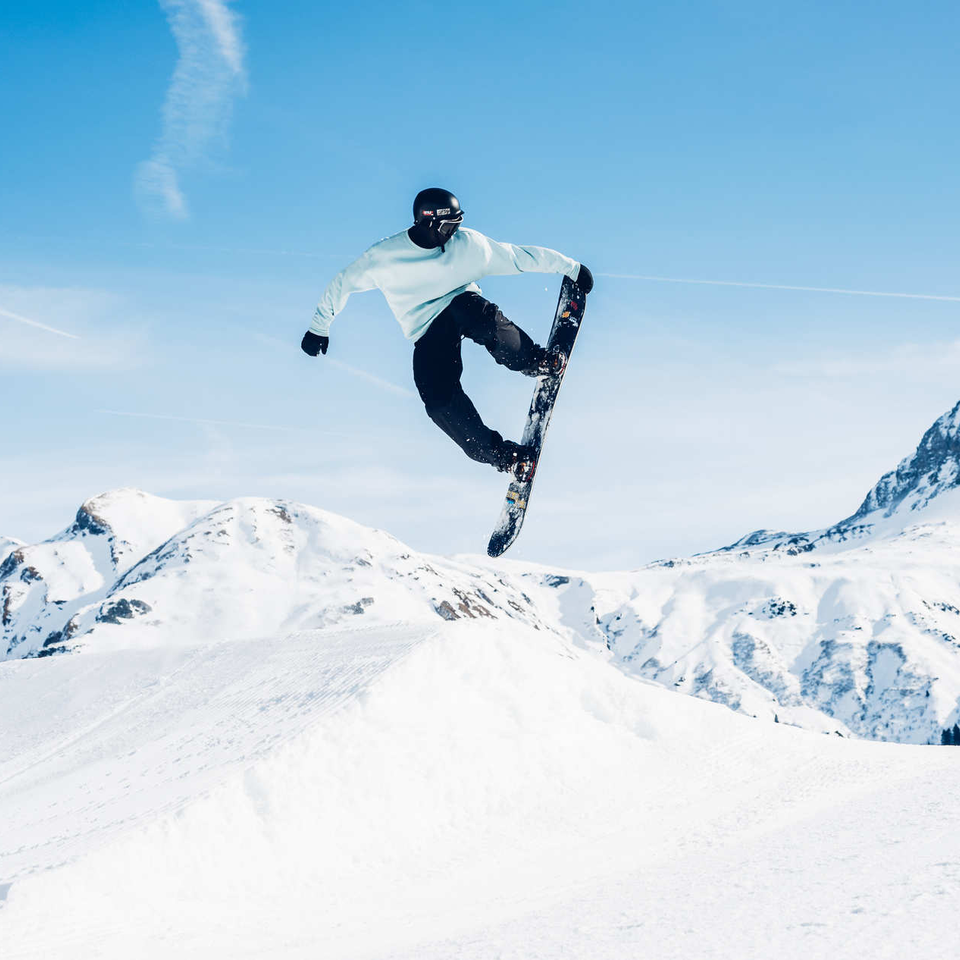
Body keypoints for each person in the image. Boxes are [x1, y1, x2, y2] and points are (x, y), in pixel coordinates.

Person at [300, 187, 593, 481]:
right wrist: (319, 327)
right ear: (428, 223)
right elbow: (342, 283)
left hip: (462, 304)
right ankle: (504, 456)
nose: (454, 233)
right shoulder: (384, 257)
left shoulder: (469, 246)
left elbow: (518, 256)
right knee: (437, 400)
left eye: (458, 225)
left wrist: (570, 267)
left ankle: (534, 360)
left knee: (478, 315)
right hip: (426, 329)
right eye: (449, 227)